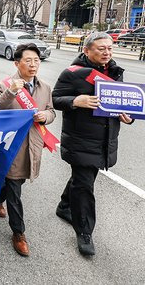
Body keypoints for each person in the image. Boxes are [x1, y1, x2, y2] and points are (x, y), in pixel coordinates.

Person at [52, 32, 134, 256]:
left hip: (105, 139)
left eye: (109, 48)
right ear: (87, 51)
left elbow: (123, 103)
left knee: (83, 179)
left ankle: (64, 206)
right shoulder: (72, 73)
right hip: (80, 139)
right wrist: (76, 101)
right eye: (101, 48)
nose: (107, 52)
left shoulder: (115, 72)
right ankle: (84, 231)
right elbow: (56, 99)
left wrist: (128, 116)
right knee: (85, 185)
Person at [0, 43, 56, 256]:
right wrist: (11, 92)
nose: (33, 64)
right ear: (17, 63)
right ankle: (19, 233)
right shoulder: (4, 84)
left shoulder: (44, 87)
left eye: (36, 61)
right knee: (15, 189)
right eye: (28, 60)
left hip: (33, 144)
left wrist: (46, 117)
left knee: (15, 183)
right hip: (11, 146)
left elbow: (51, 111)